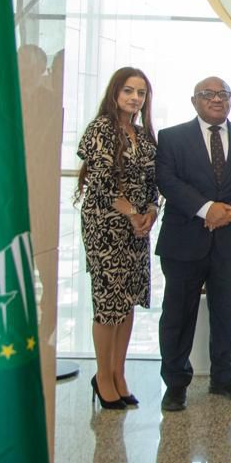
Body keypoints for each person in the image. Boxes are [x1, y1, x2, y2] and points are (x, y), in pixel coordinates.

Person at [155, 77, 231, 411]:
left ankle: (225, 378)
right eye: (208, 95)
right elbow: (167, 181)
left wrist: (229, 211)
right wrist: (206, 209)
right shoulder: (172, 138)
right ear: (194, 101)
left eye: (223, 95)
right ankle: (175, 383)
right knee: (177, 313)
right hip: (183, 241)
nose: (216, 100)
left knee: (228, 313)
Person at [75, 67, 159, 410]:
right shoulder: (101, 129)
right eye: (128, 91)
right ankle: (103, 377)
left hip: (138, 227)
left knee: (127, 301)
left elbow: (155, 183)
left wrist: (150, 214)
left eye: (140, 92)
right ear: (115, 93)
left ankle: (118, 373)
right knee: (108, 304)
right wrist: (132, 214)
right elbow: (102, 184)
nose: (134, 98)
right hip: (106, 226)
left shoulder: (143, 134)